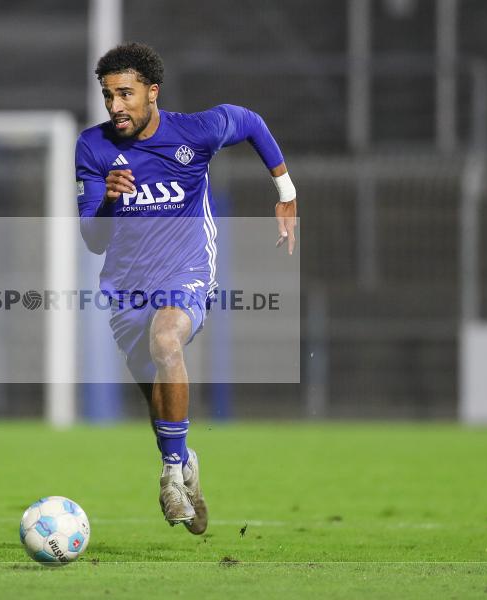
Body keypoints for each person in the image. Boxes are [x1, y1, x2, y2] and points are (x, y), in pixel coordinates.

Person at [75, 42, 297, 534]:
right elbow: (93, 240)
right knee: (156, 397)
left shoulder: (195, 132)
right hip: (126, 289)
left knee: (166, 340)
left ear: (152, 92)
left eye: (125, 94)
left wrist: (286, 192)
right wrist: (108, 200)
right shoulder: (92, 147)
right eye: (108, 95)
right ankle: (184, 459)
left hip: (187, 271)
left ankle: (172, 476)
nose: (115, 106)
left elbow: (250, 122)